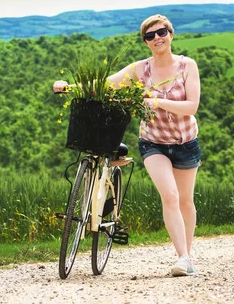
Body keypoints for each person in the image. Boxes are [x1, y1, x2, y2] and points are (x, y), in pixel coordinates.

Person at [53, 14, 201, 277]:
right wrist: (69, 87)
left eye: (161, 32)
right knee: (170, 196)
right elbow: (106, 84)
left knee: (186, 202)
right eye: (150, 35)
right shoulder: (139, 70)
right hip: (153, 143)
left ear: (171, 34)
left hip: (185, 143)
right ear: (145, 42)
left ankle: (187, 254)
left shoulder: (187, 66)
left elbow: (192, 107)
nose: (157, 38)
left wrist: (156, 102)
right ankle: (183, 258)